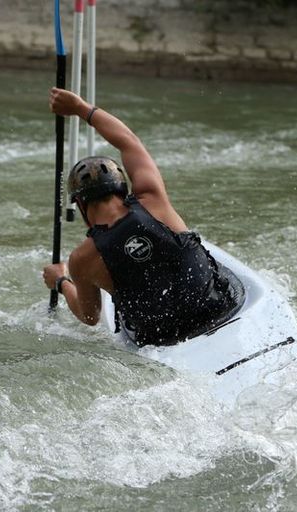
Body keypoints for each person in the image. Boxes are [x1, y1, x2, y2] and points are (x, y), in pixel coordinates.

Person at [42, 88, 243, 346]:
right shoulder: (153, 198)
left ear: (81, 205)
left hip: (163, 341)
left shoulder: (82, 259)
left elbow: (90, 316)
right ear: (122, 188)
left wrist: (60, 281)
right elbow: (129, 141)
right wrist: (81, 107)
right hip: (218, 310)